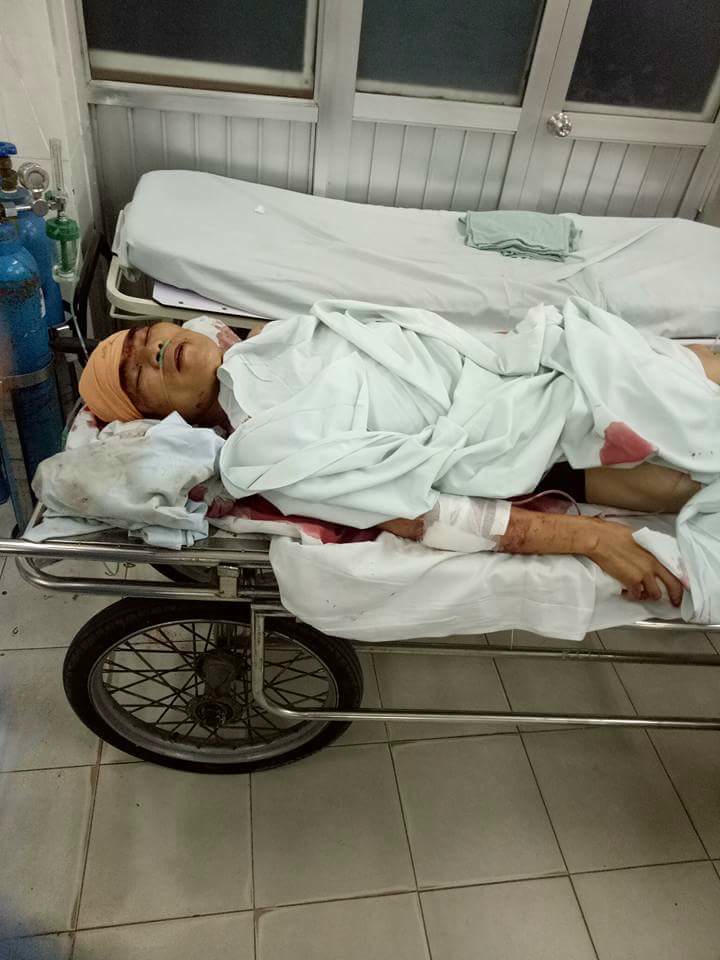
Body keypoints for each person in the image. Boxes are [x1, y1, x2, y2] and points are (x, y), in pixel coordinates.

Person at [79, 315, 720, 609]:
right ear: (164, 419)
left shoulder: (271, 337)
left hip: (526, 362)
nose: (156, 351)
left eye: (152, 335)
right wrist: (592, 538)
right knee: (687, 422)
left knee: (686, 366)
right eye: (139, 375)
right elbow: (421, 516)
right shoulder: (258, 449)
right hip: (529, 427)